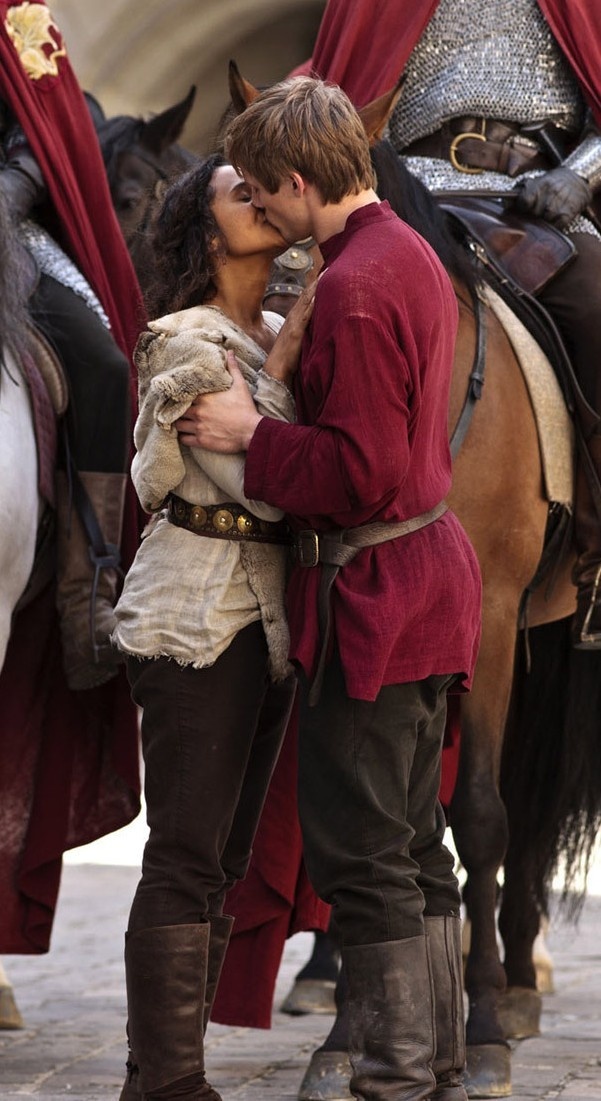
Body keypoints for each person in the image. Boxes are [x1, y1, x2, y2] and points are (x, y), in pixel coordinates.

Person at [177, 78, 481, 1101]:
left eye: (266, 196)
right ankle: (431, 1067)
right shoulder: (401, 252)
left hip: (379, 592)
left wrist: (251, 437)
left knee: (360, 854)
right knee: (411, 843)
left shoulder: (354, 286)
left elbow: (360, 473)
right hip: (423, 580)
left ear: (303, 181)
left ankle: (395, 1081)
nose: (258, 213)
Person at [292, 0, 601, 649]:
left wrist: (577, 176)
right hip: (404, 190)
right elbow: (336, 77)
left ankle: (595, 552)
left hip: (535, 201)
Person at [112, 152, 314, 1101]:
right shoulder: (179, 339)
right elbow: (266, 492)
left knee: (224, 859)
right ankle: (171, 1083)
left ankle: (154, 1070)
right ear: (203, 225)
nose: (264, 196)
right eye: (242, 191)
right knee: (187, 851)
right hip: (193, 613)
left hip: (262, 618)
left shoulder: (272, 330)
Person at [0, 0, 145, 689]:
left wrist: (15, 185)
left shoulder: (16, 15)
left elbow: (58, 109)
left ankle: (87, 585)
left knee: (102, 362)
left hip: (5, 225)